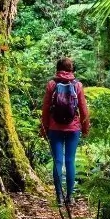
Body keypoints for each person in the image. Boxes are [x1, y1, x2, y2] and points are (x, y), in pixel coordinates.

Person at [40, 58, 90, 206]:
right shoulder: (78, 85)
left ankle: (59, 198)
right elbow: (83, 109)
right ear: (71, 69)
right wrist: (85, 128)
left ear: (57, 69)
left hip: (54, 128)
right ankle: (70, 197)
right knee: (70, 161)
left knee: (57, 161)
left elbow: (45, 109)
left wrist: (44, 128)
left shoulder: (52, 84)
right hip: (73, 128)